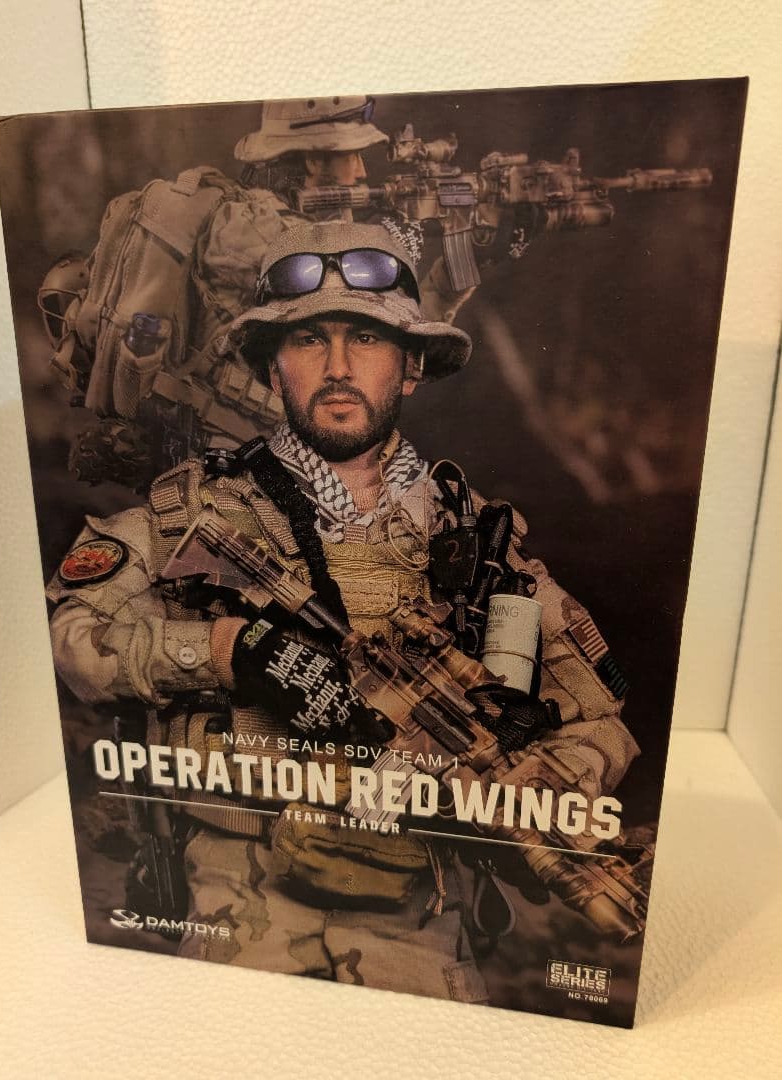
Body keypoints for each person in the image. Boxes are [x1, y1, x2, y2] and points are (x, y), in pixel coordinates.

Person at [47, 221, 638, 1004]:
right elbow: (70, 636)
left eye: (364, 338)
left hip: (421, 922)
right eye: (307, 340)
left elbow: (600, 717)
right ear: (270, 366)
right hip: (241, 905)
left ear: (412, 365)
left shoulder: (477, 543)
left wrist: (537, 775)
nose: (336, 367)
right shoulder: (193, 512)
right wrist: (226, 650)